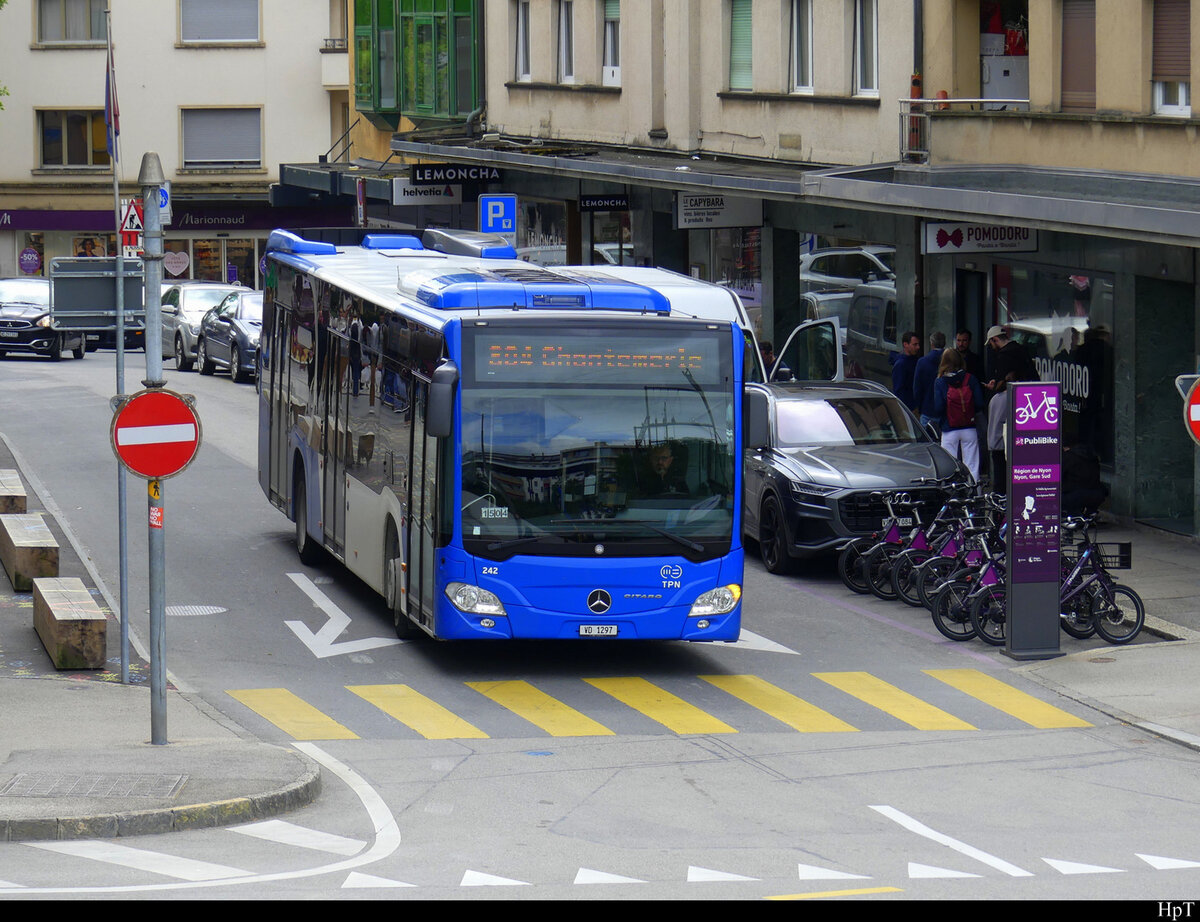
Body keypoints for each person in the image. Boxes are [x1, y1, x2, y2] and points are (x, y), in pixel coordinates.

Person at [933, 347, 984, 483]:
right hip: (969, 427)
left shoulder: (940, 382)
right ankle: (974, 494)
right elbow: (979, 403)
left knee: (949, 464)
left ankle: (951, 494)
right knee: (972, 464)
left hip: (949, 429)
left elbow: (938, 408)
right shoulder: (970, 379)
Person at [985, 324, 1038, 393]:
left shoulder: (1003, 355)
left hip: (1017, 394)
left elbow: (1000, 384)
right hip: (1033, 388)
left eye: (990, 343)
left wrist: (994, 387)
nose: (991, 347)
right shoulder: (1021, 349)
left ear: (995, 339)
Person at [912, 331, 945, 428]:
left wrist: (919, 406)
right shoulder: (952, 360)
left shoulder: (922, 362)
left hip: (927, 409)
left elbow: (917, 388)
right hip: (947, 410)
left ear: (932, 344)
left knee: (926, 441)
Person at [891, 331, 921, 412]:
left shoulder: (916, 360)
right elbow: (899, 390)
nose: (918, 347)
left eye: (918, 344)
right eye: (915, 344)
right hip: (908, 408)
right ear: (905, 344)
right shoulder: (901, 364)